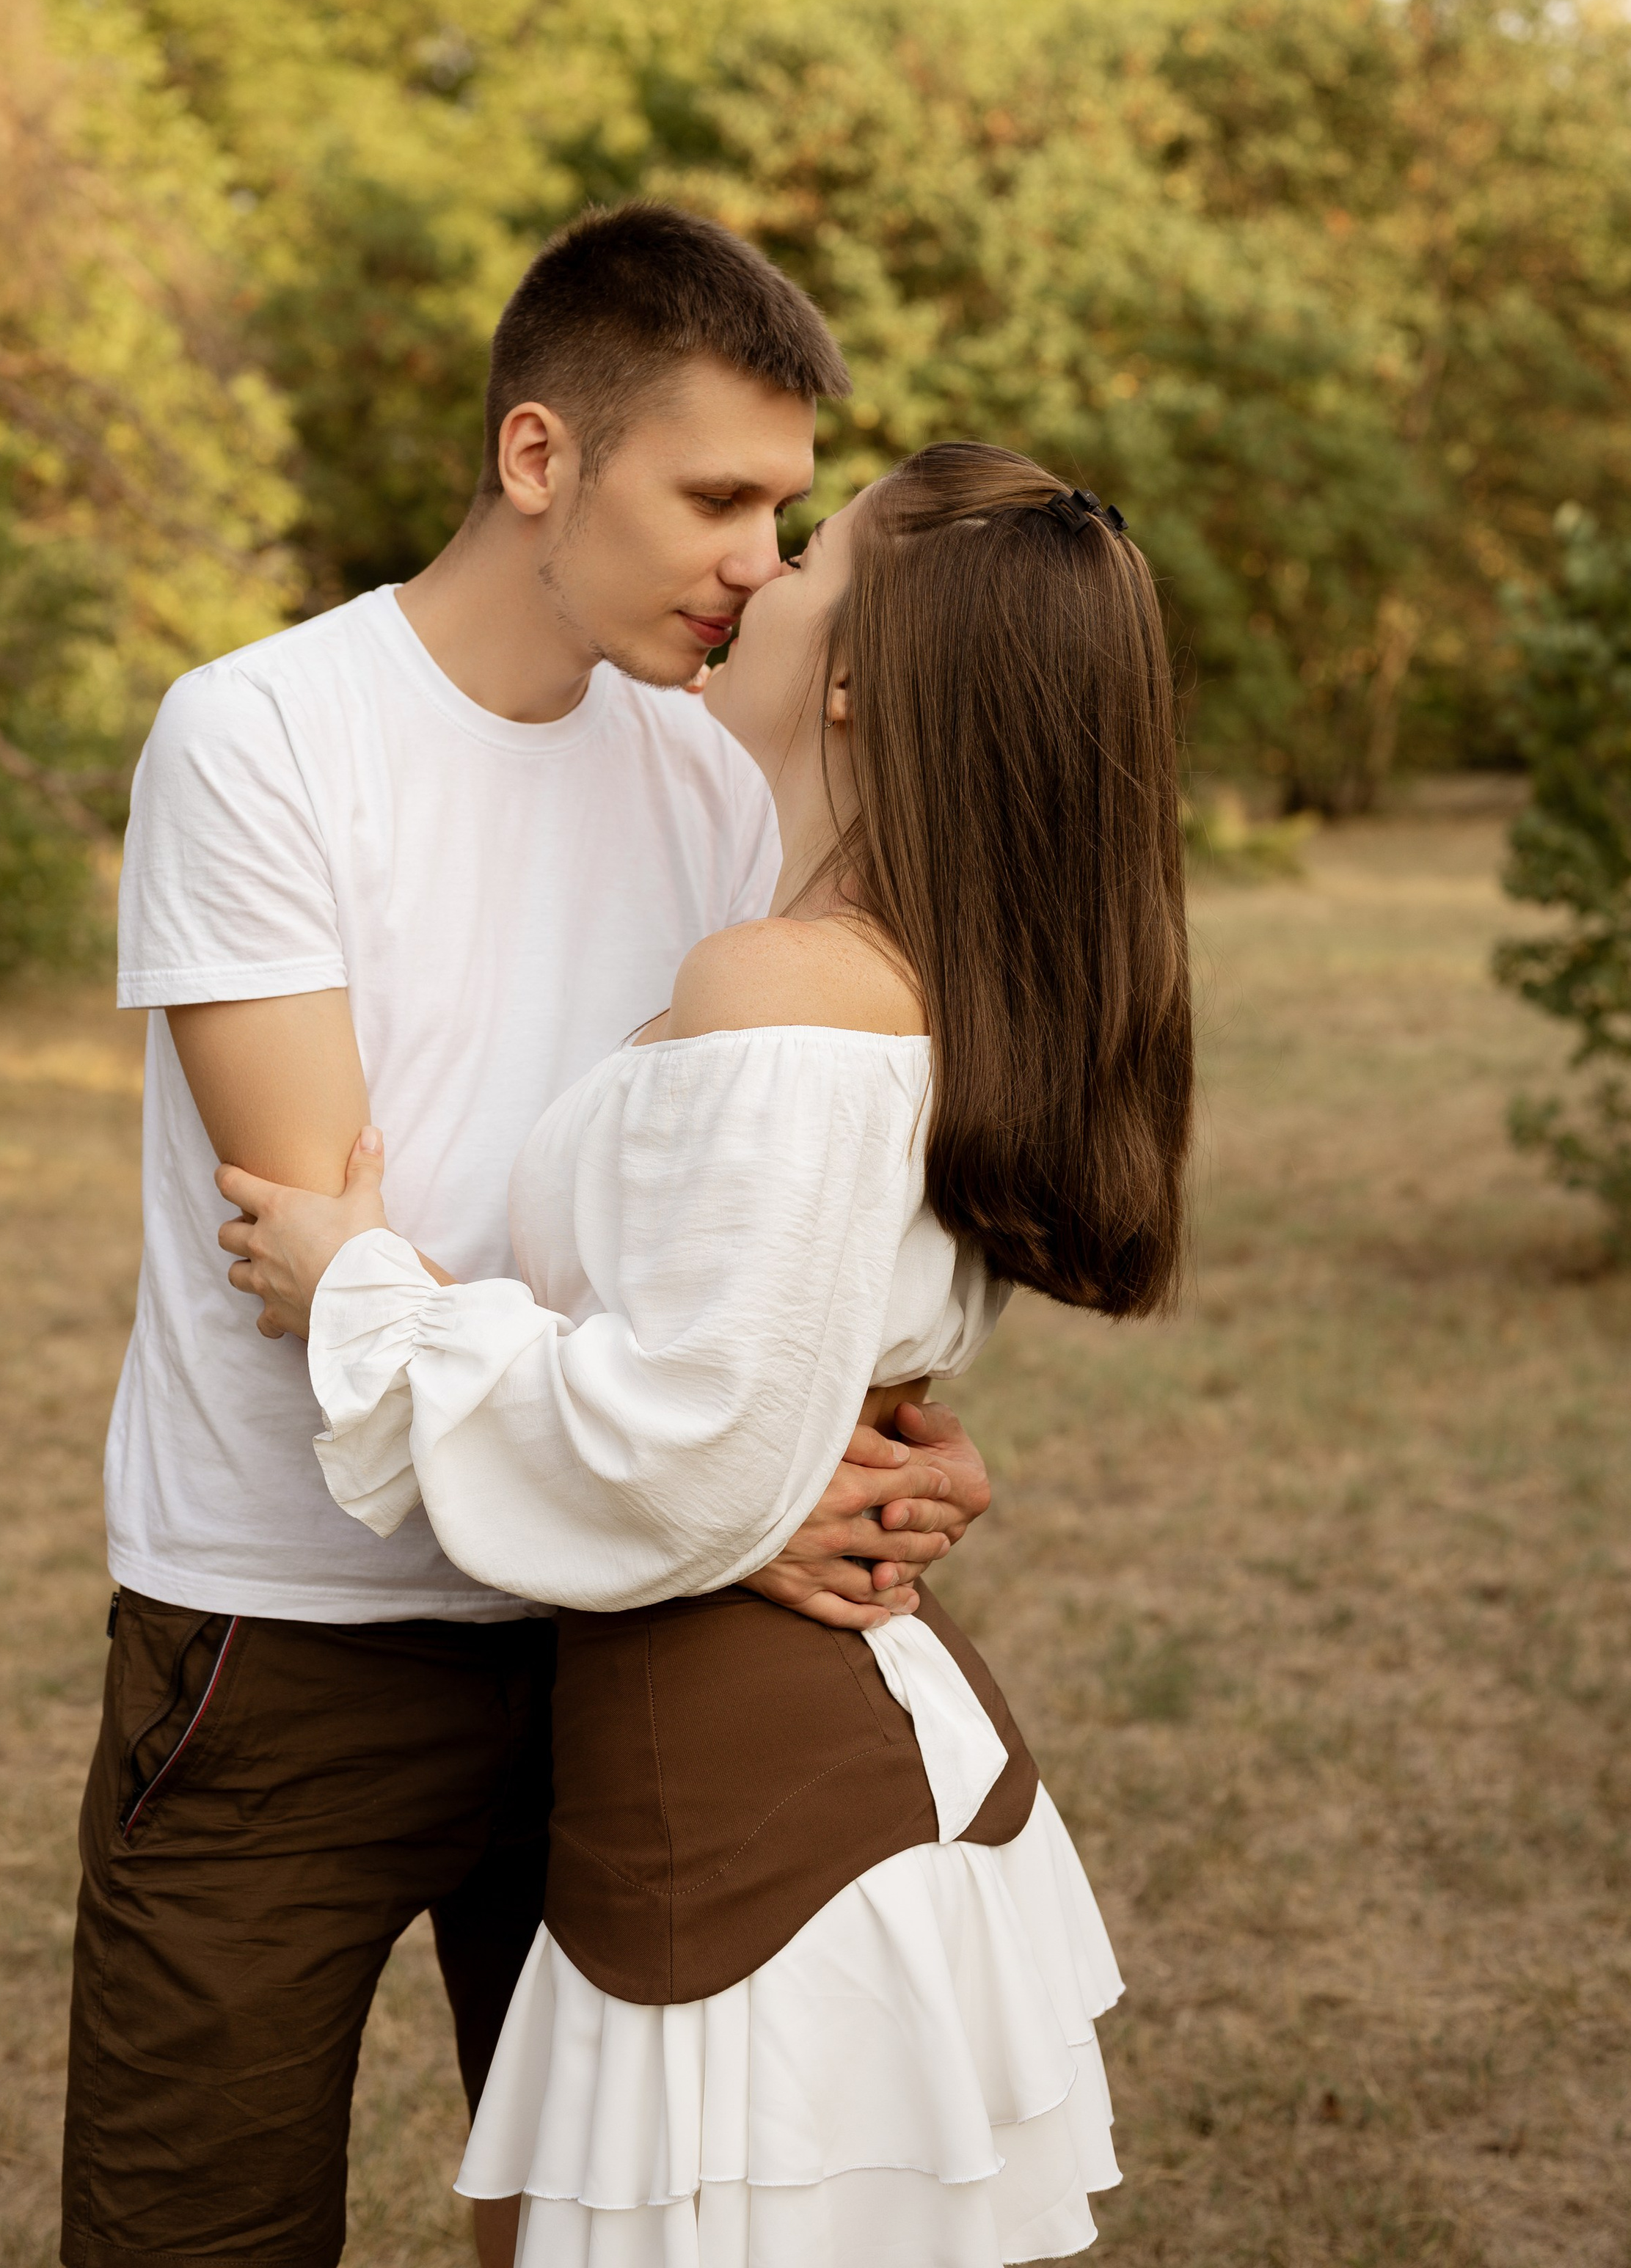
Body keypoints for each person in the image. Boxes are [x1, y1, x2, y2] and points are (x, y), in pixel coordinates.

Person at [62, 205, 996, 2268]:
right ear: (540, 457)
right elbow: (308, 1240)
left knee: (616, 2226)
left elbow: (760, 1208)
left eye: (790, 508)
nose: (763, 558)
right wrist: (734, 1481)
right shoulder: (264, 733)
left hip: (625, 1646)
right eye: (721, 496)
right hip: (288, 1632)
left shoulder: (715, 765)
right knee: (186, 2231)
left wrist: (847, 1428)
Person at [220, 442, 1195, 2264]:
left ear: (852, 675)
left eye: (808, 549)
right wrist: (850, 1432)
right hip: (797, 1748)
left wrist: (364, 1288)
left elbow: (675, 1449)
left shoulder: (785, 979)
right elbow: (769, 1368)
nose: (757, 569)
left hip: (753, 1797)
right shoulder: (922, 963)